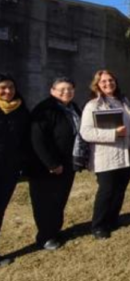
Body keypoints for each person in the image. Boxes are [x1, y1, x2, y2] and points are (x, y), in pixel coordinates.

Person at [80, 70, 130, 240]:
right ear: (97, 84)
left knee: (120, 190)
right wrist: (113, 134)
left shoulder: (124, 101)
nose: (108, 84)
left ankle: (113, 219)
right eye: (104, 81)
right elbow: (85, 132)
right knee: (106, 191)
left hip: (126, 154)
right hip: (105, 156)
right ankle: (98, 225)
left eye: (111, 80)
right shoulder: (93, 105)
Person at [26, 77, 81, 251]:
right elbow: (37, 139)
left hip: (67, 164)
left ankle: (55, 231)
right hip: (46, 167)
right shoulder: (45, 110)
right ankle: (44, 237)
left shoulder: (72, 107)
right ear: (52, 91)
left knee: (59, 200)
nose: (67, 92)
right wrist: (51, 164)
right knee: (45, 202)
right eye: (62, 89)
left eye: (70, 89)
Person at [0, 74, 30, 266]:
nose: (8, 91)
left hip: (10, 169)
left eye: (11, 87)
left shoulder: (21, 110)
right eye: (3, 87)